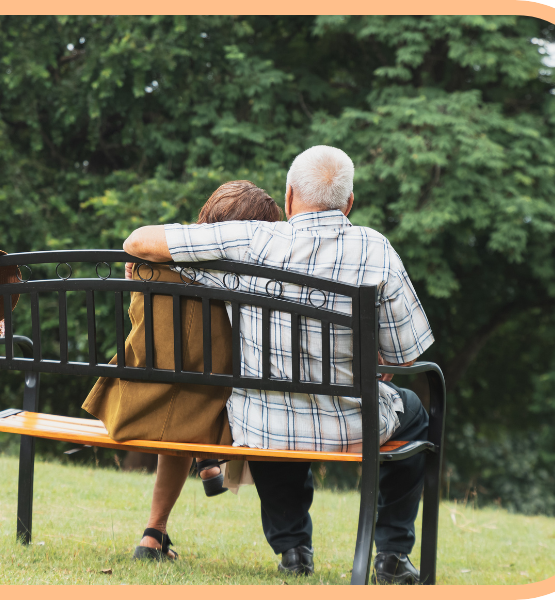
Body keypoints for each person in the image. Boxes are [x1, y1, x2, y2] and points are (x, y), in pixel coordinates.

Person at [122, 145, 435, 583]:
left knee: (273, 413)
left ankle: (292, 548)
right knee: (416, 411)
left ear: (289, 197)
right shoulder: (377, 248)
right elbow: (407, 356)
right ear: (349, 204)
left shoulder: (250, 239)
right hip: (352, 426)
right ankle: (392, 554)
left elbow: (136, 242)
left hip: (264, 427)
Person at [82, 180, 282, 560]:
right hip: (203, 417)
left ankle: (153, 535)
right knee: (193, 392)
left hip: (132, 407)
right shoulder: (248, 283)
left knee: (178, 387)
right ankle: (204, 464)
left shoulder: (148, 267)